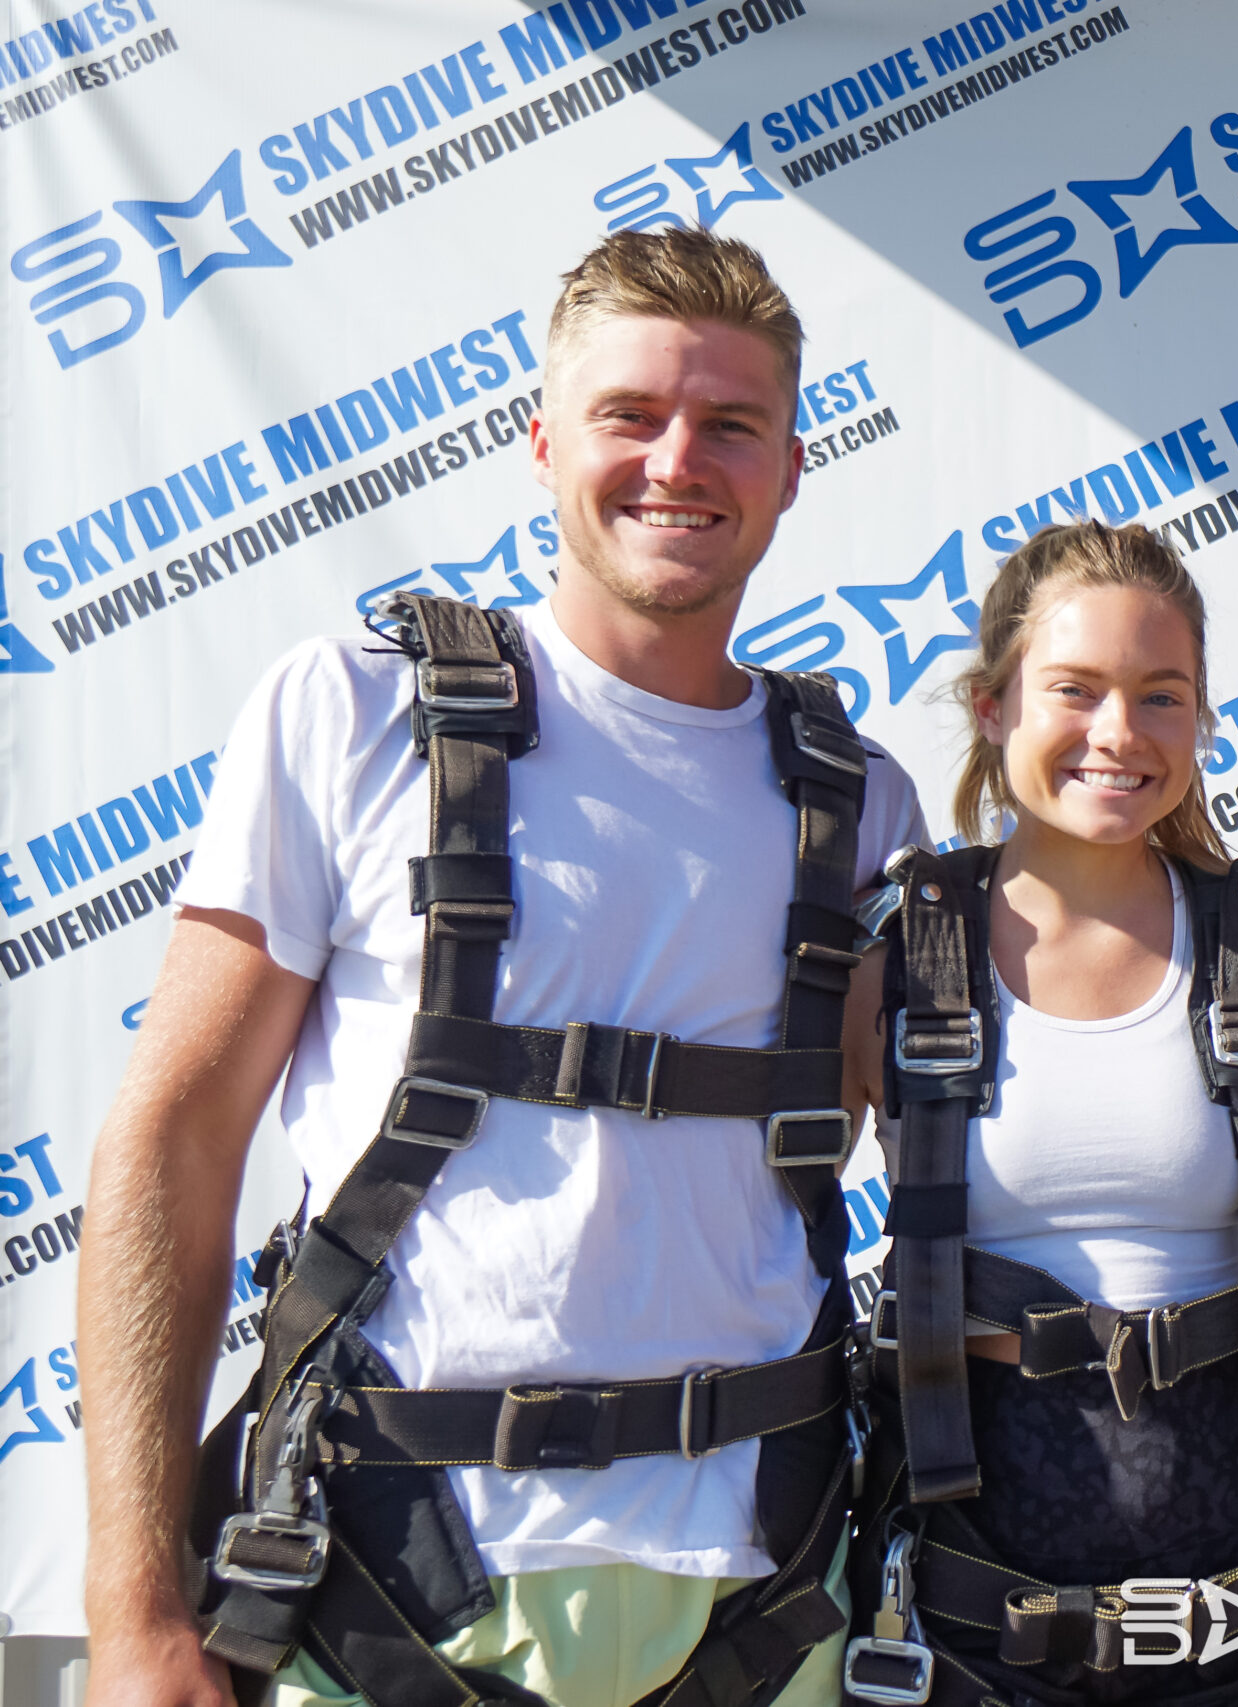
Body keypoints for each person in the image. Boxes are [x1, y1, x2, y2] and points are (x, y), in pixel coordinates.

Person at [78, 226, 929, 1707]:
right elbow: (172, 1139)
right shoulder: (349, 714)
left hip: (765, 1595)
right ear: (542, 442)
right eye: (631, 415)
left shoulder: (857, 798)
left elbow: (1045, 1085)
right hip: (385, 1578)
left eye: (733, 424)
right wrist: (135, 1607)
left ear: (794, 467)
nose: (680, 459)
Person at [835, 519, 1238, 1707]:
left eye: (1160, 696)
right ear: (990, 707)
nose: (1118, 734)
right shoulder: (901, 956)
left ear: (1201, 721)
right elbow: (757, 1229)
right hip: (976, 1615)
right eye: (1073, 690)